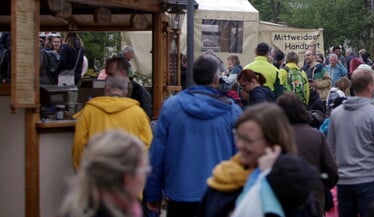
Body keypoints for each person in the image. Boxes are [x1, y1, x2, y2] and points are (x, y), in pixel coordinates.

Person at [144, 55, 243, 217]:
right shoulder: (232, 112)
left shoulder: (171, 107)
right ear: (217, 79)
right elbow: (240, 157)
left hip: (180, 194)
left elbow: (157, 154)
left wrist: (153, 193)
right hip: (220, 194)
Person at [197, 103, 320, 217]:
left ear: (273, 142)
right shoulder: (223, 178)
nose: (239, 145)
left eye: (248, 140)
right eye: (238, 136)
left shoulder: (291, 185)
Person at [328, 67, 374, 217]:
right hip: (370, 178)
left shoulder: (336, 114)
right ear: (370, 87)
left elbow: (331, 148)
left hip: (344, 181)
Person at [58, 131, 149, 217]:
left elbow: (79, 143)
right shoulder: (128, 210)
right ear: (126, 178)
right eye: (144, 170)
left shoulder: (76, 207)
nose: (147, 175)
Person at [71, 73, 152, 170]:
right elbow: (147, 146)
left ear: (106, 88)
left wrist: (80, 169)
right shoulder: (139, 113)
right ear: (126, 92)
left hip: (96, 173)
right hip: (127, 174)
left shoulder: (89, 111)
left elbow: (79, 144)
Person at [276, 93, 338, 216]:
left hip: (283, 199)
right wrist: (322, 184)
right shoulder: (315, 135)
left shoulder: (275, 137)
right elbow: (331, 169)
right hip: (314, 197)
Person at [104, 55, 153, 120]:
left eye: (111, 74)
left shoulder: (140, 92)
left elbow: (146, 118)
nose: (107, 78)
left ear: (123, 73)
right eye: (107, 75)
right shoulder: (108, 91)